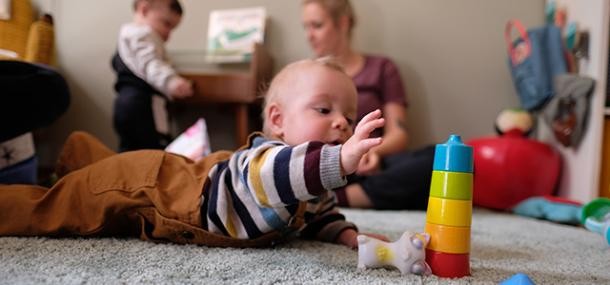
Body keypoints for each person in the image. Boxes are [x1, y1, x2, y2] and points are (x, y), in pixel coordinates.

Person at [0, 58, 387, 249]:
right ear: (278, 120)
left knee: (98, 179)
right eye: (324, 110)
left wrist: (348, 236)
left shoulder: (312, 185)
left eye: (348, 116)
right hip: (152, 186)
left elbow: (319, 215)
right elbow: (286, 175)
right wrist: (341, 159)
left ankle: (82, 154)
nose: (342, 123)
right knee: (60, 207)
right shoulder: (272, 160)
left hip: (180, 175)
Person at [302, 0, 435, 210]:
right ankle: (356, 195)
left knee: (443, 161)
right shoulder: (306, 75)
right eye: (306, 27)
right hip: (328, 163)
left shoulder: (382, 68)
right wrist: (342, 157)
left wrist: (370, 152)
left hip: (373, 164)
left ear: (343, 23)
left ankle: (338, 199)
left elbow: (399, 134)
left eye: (317, 26)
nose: (309, 35)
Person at [111, 0, 194, 152]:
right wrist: (172, 82)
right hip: (140, 106)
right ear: (144, 10)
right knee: (151, 153)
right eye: (167, 24)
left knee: (130, 153)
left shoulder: (132, 37)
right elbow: (150, 64)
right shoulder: (141, 34)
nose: (168, 35)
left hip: (129, 105)